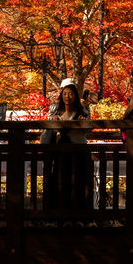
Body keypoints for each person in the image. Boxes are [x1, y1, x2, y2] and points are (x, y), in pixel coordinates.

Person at [41, 78, 92, 214]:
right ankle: (60, 214)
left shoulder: (82, 113)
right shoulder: (56, 113)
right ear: (61, 95)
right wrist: (52, 122)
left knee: (78, 183)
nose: (67, 97)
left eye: (70, 94)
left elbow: (89, 130)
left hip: (78, 153)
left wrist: (85, 122)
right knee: (60, 183)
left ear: (75, 96)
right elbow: (46, 134)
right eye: (64, 94)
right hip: (60, 154)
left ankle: (79, 214)